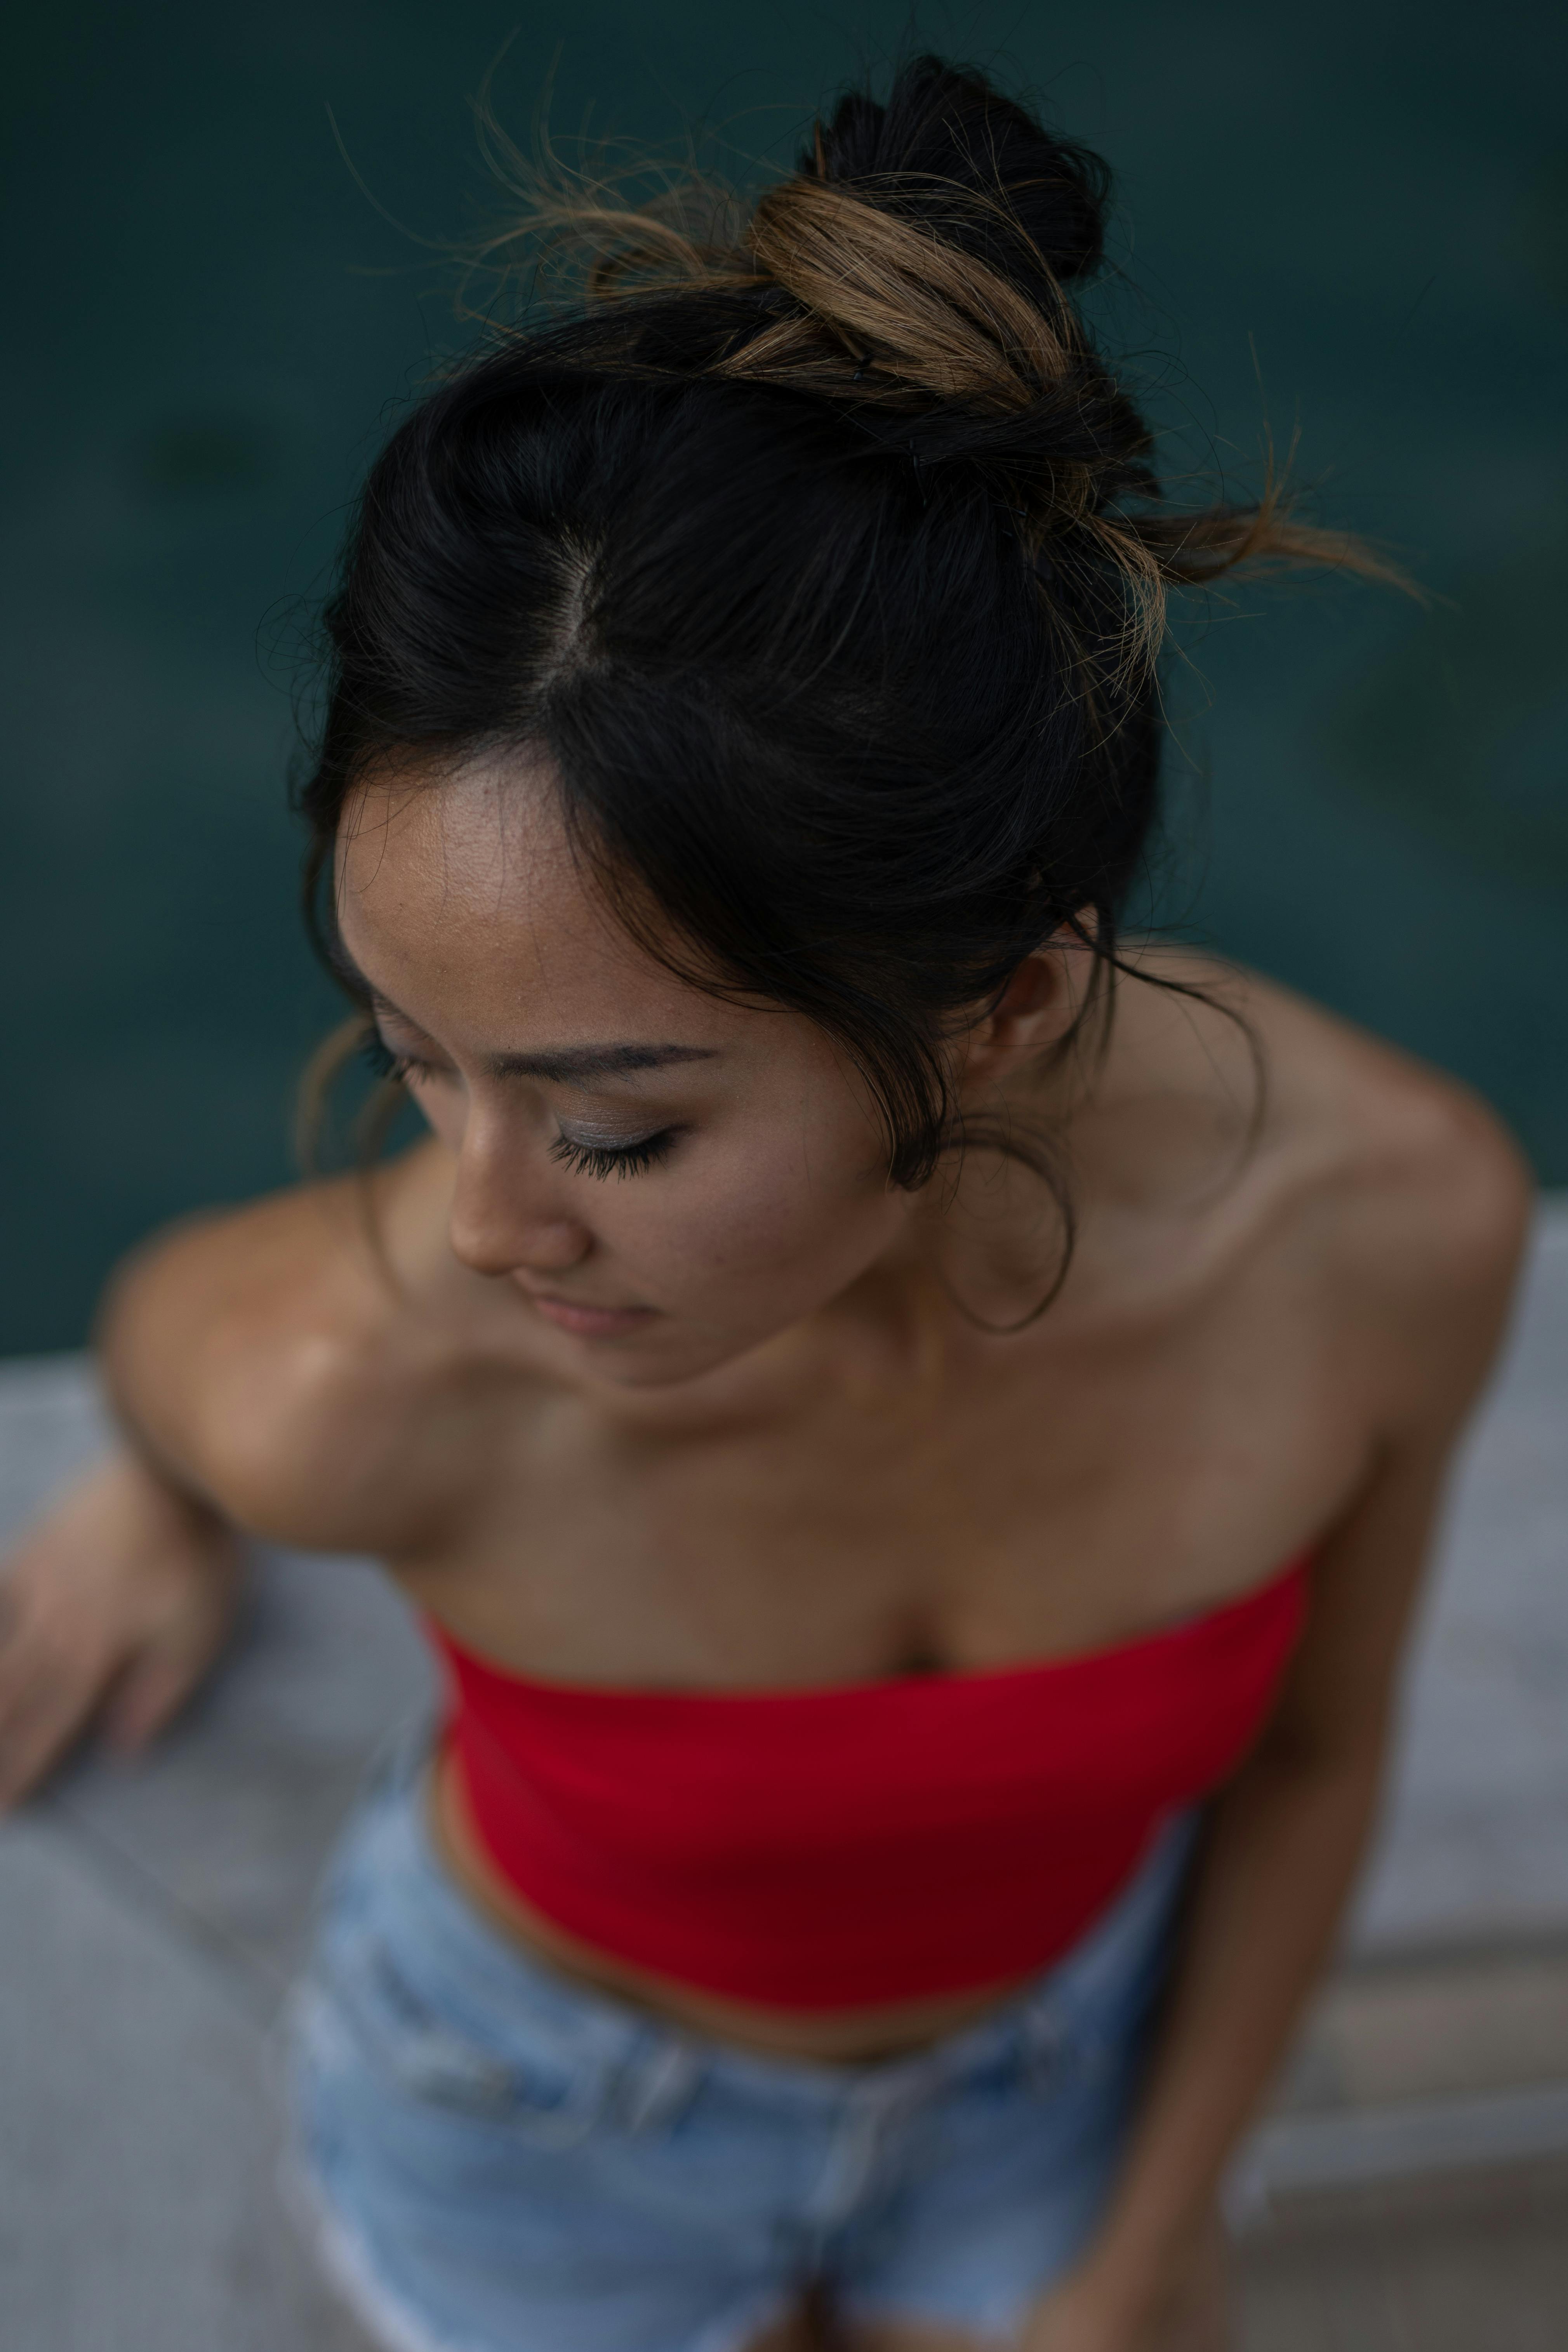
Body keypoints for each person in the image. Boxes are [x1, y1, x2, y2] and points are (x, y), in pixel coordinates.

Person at [0, 54, 1530, 2352]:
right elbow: (167, 1327)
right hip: (538, 2130)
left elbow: (1318, 1758)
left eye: (613, 1128)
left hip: (1054, 2090)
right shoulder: (360, 1380)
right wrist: (156, 1498)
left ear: (1002, 1006)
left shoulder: (1389, 1232)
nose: (493, 1220)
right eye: (414, 1054)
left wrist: (1141, 2237)